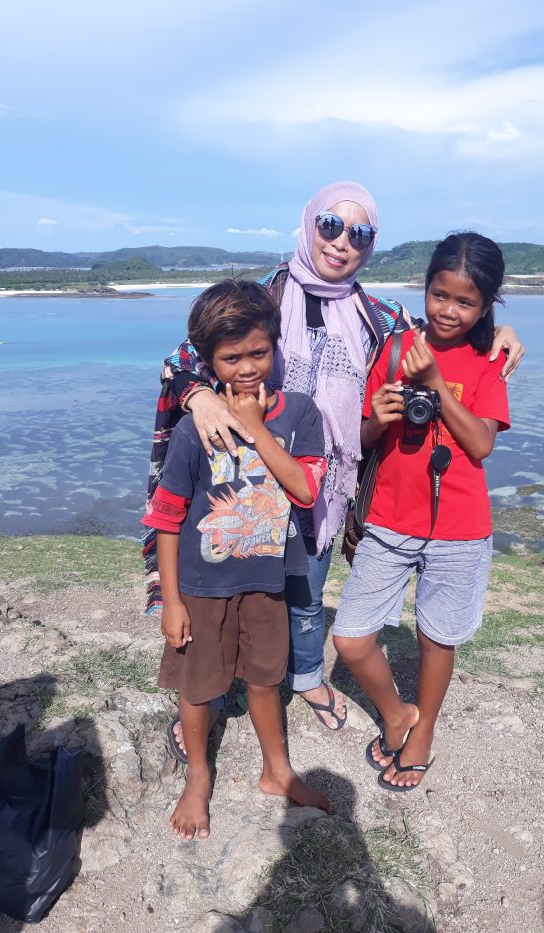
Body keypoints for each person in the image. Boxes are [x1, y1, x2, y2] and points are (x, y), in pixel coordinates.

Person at [144, 181, 524, 754]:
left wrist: (501, 332)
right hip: (245, 482)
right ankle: (208, 695)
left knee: (303, 590)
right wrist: (198, 395)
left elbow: (450, 333)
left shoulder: (377, 314)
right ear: (307, 223)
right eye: (330, 225)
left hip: (326, 481)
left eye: (360, 233)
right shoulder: (267, 295)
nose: (342, 242)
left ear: (371, 245)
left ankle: (307, 678)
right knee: (228, 589)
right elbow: (190, 352)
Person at [142, 280, 331, 840]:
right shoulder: (192, 428)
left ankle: (278, 770)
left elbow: (303, 490)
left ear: (275, 346)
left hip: (266, 581)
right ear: (207, 361)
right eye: (231, 358)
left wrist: (254, 426)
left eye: (259, 353)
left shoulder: (300, 413)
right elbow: (167, 518)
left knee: (266, 680)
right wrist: (171, 599)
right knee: (198, 686)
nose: (248, 367)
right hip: (201, 586)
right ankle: (198, 775)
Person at [333, 232, 510, 791]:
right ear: (426, 288)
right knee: (352, 638)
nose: (449, 311)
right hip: (388, 518)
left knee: (438, 638)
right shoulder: (392, 349)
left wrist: (436, 384)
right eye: (440, 295)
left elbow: (481, 445)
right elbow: (359, 440)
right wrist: (381, 417)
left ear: (486, 306)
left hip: (460, 527)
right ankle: (396, 713)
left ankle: (424, 728)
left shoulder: (489, 359)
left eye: (466, 302)